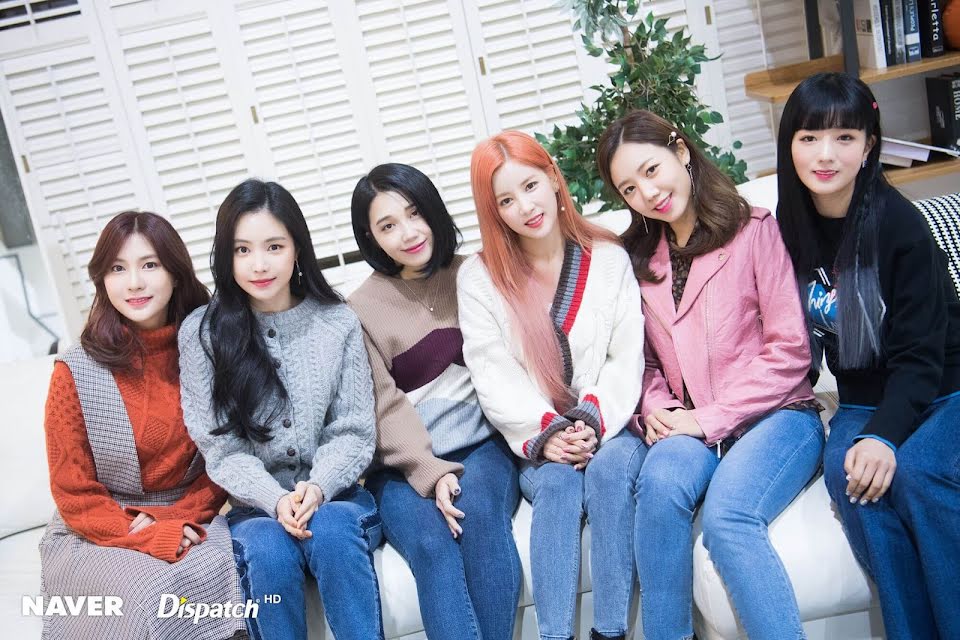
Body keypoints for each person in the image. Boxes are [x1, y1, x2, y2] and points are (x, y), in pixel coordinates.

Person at [597, 109, 824, 640]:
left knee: (727, 520)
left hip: (777, 415)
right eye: (629, 188)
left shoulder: (754, 230)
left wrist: (709, 418)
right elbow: (639, 361)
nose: (647, 193)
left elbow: (791, 350)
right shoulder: (636, 261)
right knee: (658, 486)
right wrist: (656, 407)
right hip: (689, 424)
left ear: (679, 150)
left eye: (651, 170)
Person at [776, 72, 960, 640]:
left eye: (844, 138)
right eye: (809, 137)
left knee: (918, 473)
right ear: (789, 144)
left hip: (942, 385)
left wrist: (883, 437)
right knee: (853, 478)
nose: (825, 155)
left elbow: (922, 358)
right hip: (860, 393)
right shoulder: (788, 225)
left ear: (869, 146)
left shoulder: (900, 227)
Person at [458, 130, 646, 640]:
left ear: (553, 179)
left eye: (530, 186)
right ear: (493, 211)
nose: (525, 206)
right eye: (505, 200)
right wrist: (549, 432)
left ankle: (610, 632)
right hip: (538, 440)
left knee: (610, 474)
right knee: (559, 485)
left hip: (609, 425)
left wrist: (591, 419)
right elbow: (492, 373)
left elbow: (625, 355)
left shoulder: (607, 257)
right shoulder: (479, 279)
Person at [178, 179, 384, 640]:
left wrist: (318, 488)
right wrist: (274, 499)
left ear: (297, 248)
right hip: (254, 510)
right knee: (267, 551)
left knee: (332, 531)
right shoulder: (202, 334)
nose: (259, 264)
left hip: (337, 499)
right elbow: (221, 448)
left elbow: (352, 430)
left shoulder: (337, 321)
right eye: (242, 250)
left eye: (274, 246)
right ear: (225, 256)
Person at [40, 211, 245, 639]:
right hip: (97, 530)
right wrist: (144, 532)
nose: (134, 283)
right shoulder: (74, 371)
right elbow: (72, 490)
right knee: (139, 593)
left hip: (192, 519)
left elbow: (226, 459)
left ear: (175, 272)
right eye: (118, 268)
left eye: (149, 264)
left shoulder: (213, 349)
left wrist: (172, 521)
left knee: (236, 574)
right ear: (102, 280)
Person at [348, 163, 521, 640]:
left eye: (414, 213)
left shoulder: (476, 274)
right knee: (430, 544)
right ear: (371, 237)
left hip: (483, 446)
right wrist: (430, 471)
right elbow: (382, 405)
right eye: (387, 226)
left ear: (433, 210)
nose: (407, 233)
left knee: (479, 516)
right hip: (401, 466)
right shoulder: (361, 307)